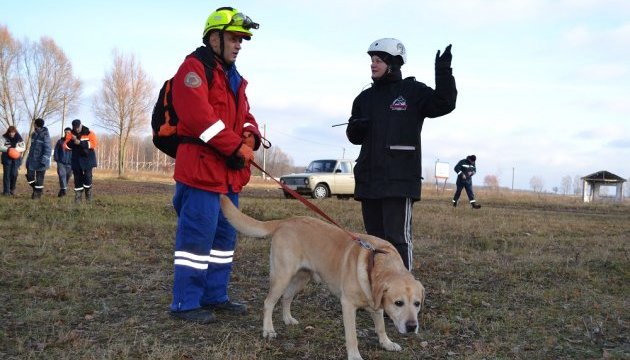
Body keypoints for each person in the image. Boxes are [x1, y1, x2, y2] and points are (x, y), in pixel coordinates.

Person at [168, 6, 262, 324]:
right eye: (234, 38)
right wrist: (236, 146)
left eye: (242, 40)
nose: (239, 44)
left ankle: (215, 296)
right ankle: (185, 303)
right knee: (196, 240)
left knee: (224, 241)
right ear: (214, 37)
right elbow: (199, 119)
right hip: (200, 173)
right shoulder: (193, 69)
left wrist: (251, 137)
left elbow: (245, 116)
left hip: (228, 177)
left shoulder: (234, 78)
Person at [346, 38, 457, 271]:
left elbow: (445, 103)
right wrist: (356, 128)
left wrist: (443, 71)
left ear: (394, 63)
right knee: (373, 242)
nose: (372, 65)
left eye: (378, 60)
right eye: (371, 60)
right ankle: (378, 293)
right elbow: (353, 136)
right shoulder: (364, 98)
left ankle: (402, 293)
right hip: (369, 181)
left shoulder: (412, 92)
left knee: (397, 239)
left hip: (399, 181)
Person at [64, 119, 97, 202]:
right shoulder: (70, 134)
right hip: (76, 159)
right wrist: (73, 141)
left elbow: (94, 144)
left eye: (78, 127)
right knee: (77, 178)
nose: (77, 129)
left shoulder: (89, 133)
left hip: (88, 159)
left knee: (87, 177)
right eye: (75, 128)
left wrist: (80, 143)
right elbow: (66, 146)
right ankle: (78, 196)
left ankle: (88, 193)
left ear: (81, 125)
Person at [25, 118, 52, 199]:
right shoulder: (33, 134)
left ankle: (37, 195)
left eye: (34, 124)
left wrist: (44, 160)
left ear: (36, 124)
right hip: (32, 160)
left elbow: (48, 149)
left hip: (41, 161)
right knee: (30, 177)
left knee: (40, 178)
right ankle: (36, 188)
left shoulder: (45, 135)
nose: (33, 125)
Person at [1, 126, 26, 196]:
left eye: (13, 132)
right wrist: (8, 150)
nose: (12, 134)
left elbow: (23, 147)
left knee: (14, 174)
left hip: (16, 159)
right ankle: (6, 191)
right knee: (7, 175)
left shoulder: (19, 138)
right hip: (6, 158)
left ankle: (12, 189)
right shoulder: (3, 138)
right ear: (8, 132)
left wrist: (15, 150)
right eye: (10, 132)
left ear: (15, 132)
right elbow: (0, 146)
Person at [54, 127, 73, 197]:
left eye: (68, 132)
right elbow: (56, 150)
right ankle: (64, 190)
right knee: (62, 176)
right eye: (65, 132)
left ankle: (61, 192)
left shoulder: (74, 142)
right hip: (61, 162)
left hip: (71, 164)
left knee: (67, 178)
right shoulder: (60, 141)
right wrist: (57, 159)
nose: (66, 133)